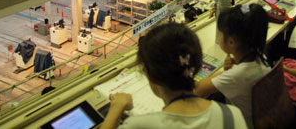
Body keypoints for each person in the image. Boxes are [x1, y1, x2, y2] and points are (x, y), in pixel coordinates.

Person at [101, 23, 247, 129]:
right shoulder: (232, 115)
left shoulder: (138, 125)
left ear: (151, 76)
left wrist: (116, 108)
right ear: (195, 66)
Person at [195, 5, 270, 128]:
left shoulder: (237, 76)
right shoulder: (261, 58)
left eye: (221, 33)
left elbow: (197, 90)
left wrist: (224, 73)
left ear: (231, 42)